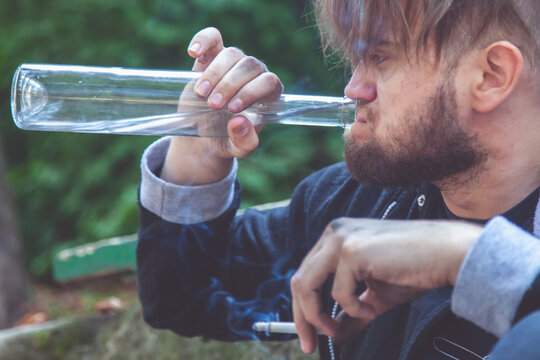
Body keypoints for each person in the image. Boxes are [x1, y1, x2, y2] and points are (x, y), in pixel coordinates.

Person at [137, 1, 540, 359]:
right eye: (356, 60)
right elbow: (183, 296)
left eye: (381, 59)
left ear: (491, 76)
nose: (354, 89)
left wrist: (469, 256)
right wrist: (198, 156)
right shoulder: (355, 201)